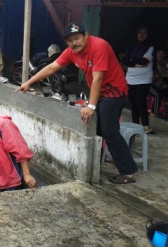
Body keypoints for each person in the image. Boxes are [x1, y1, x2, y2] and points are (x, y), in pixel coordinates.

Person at [17, 22, 138, 184]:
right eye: (70, 40)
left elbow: (98, 78)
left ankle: (128, 171)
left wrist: (91, 106)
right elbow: (52, 67)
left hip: (114, 91)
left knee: (109, 131)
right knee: (99, 129)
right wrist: (29, 82)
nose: (74, 43)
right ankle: (103, 161)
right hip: (100, 92)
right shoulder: (71, 52)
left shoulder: (99, 46)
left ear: (85, 36)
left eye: (77, 38)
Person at [120, 26, 154, 134]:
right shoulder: (132, 47)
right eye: (140, 32)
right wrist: (134, 62)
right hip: (130, 78)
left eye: (144, 33)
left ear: (148, 35)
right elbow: (124, 60)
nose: (141, 35)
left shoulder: (150, 48)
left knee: (140, 101)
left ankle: (146, 125)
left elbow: (144, 61)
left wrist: (131, 61)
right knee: (133, 102)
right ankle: (135, 124)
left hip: (144, 79)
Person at [148, 49, 168, 116]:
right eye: (158, 53)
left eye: (162, 53)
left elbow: (164, 73)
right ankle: (154, 113)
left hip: (162, 85)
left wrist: (158, 62)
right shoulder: (150, 61)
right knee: (158, 95)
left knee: (162, 92)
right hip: (149, 83)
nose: (160, 55)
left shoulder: (166, 63)